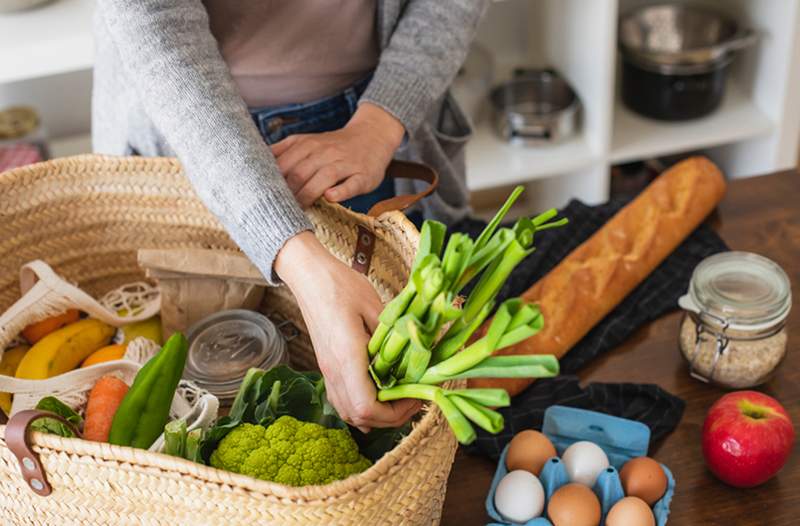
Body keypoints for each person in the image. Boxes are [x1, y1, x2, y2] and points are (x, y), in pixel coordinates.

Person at [93, 0, 488, 431]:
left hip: (370, 124)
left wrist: (380, 123)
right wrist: (303, 263)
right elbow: (156, 25)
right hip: (197, 135)